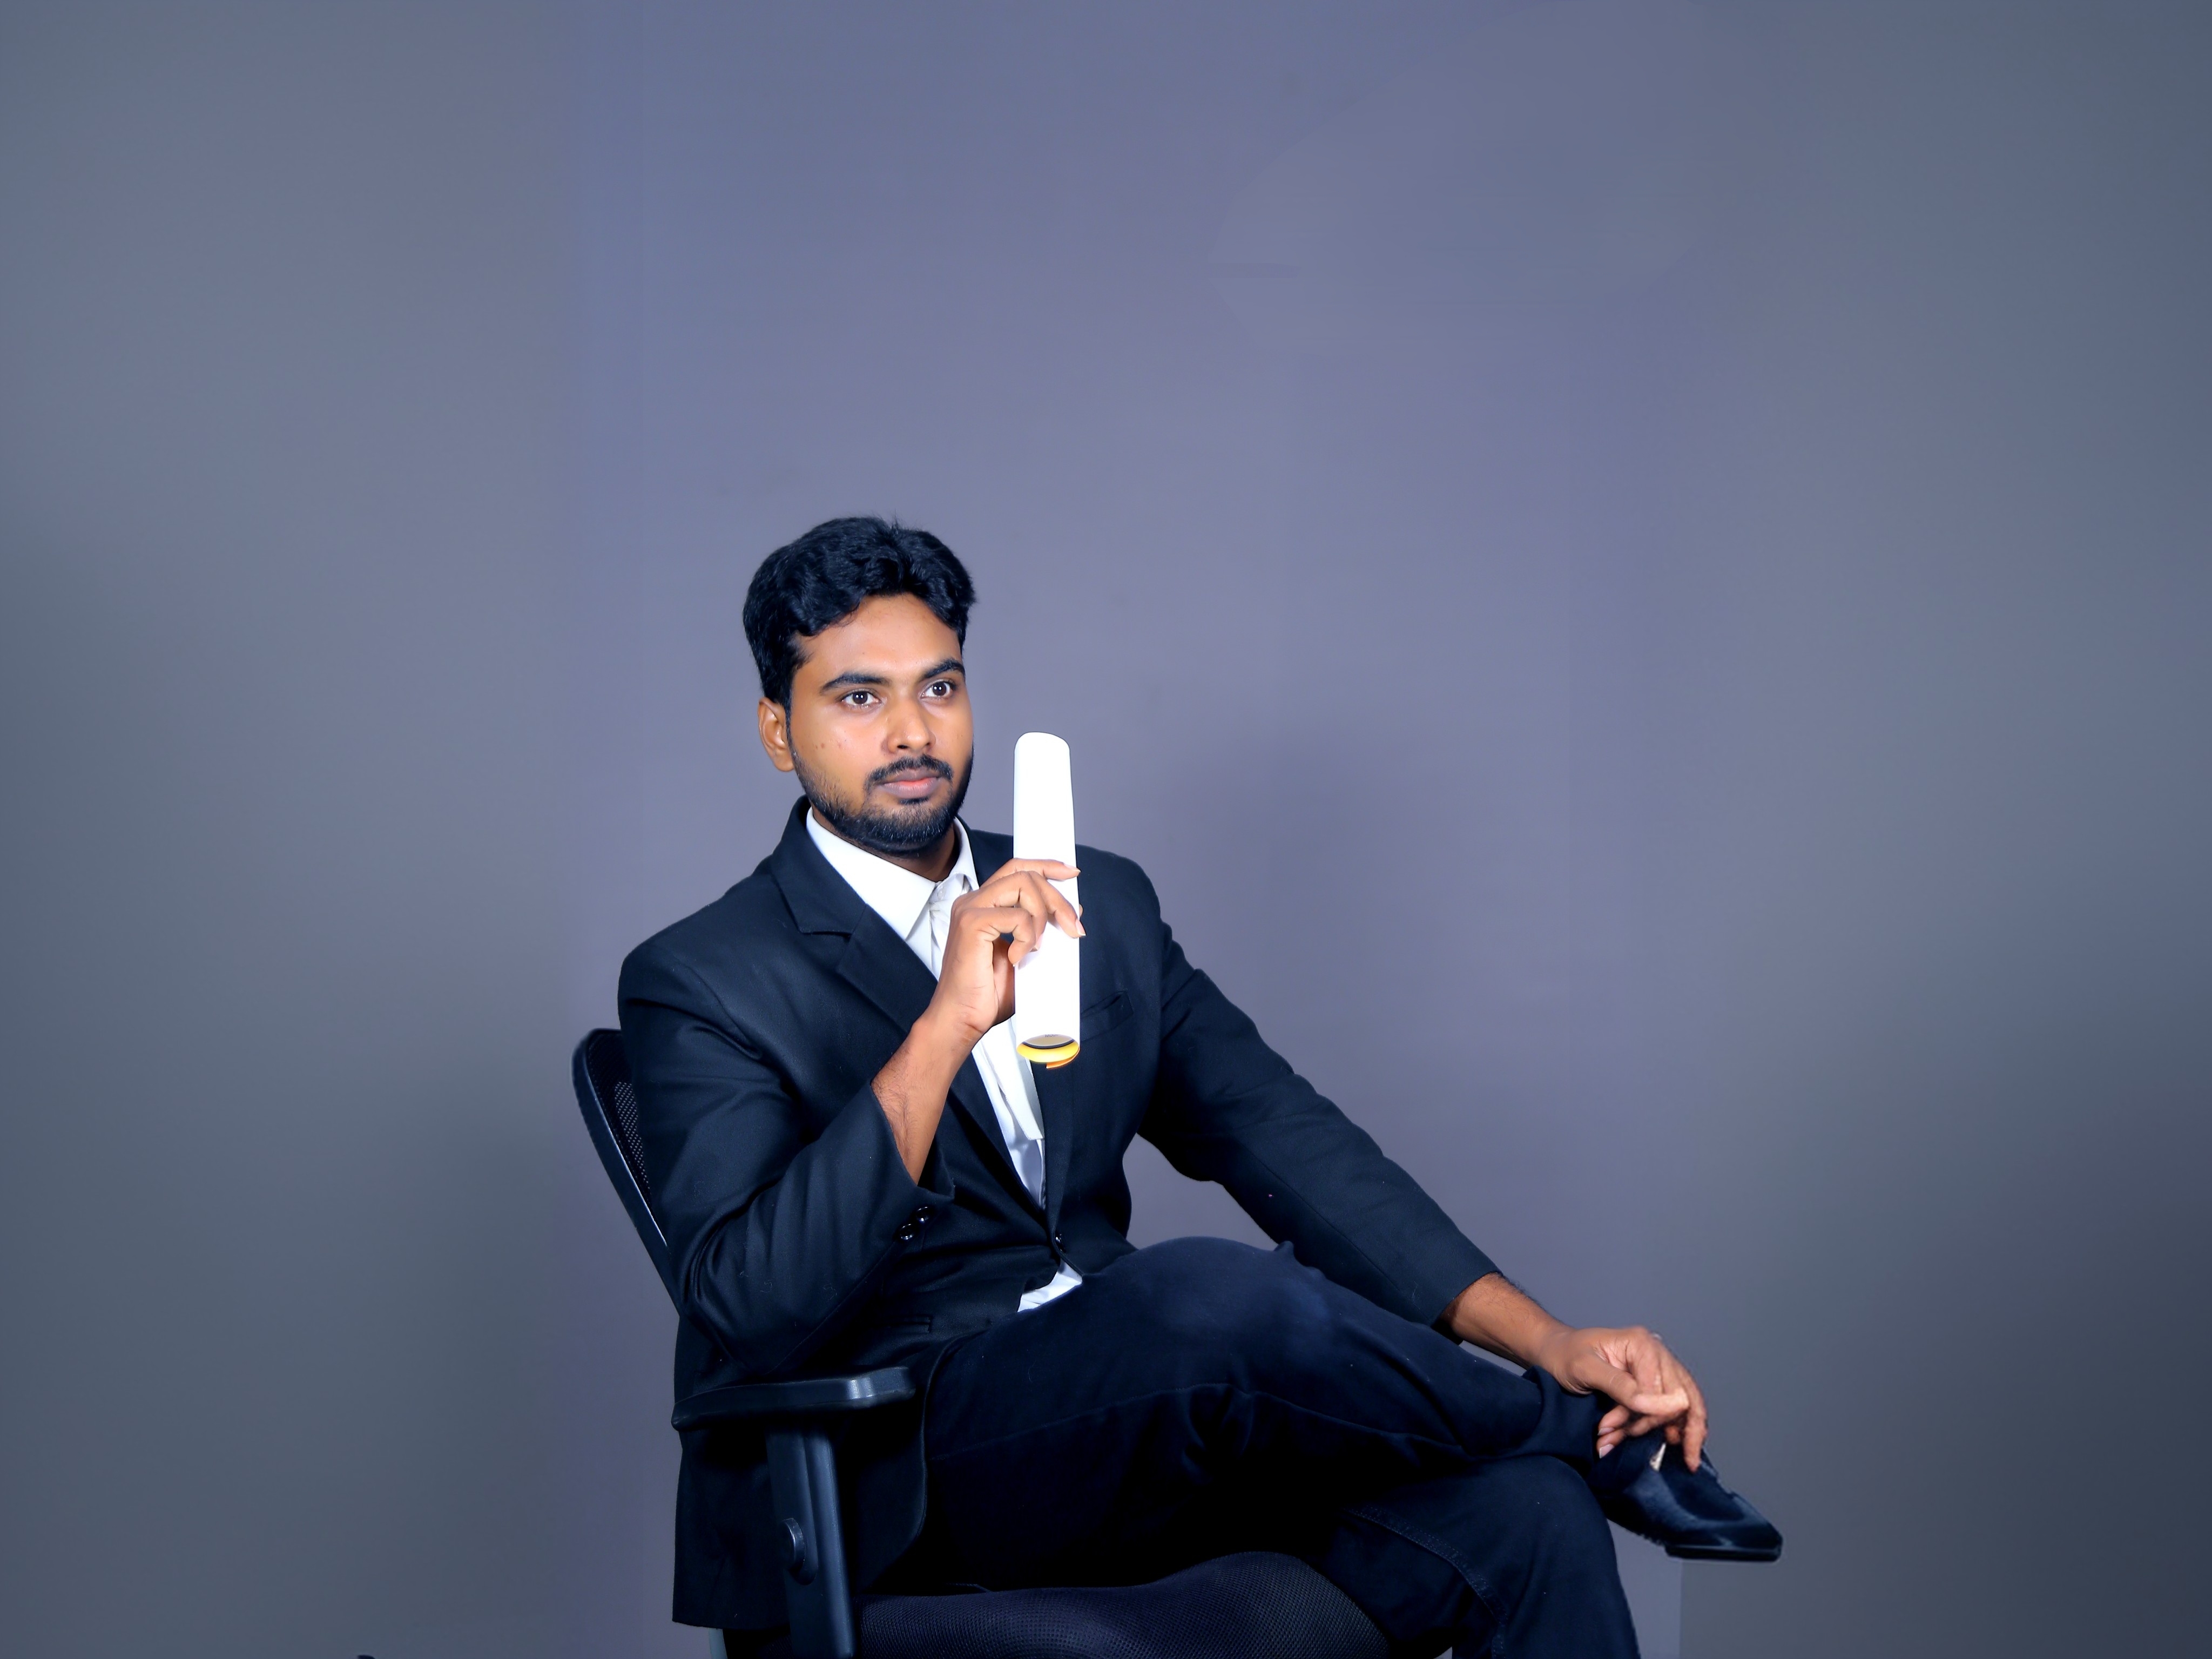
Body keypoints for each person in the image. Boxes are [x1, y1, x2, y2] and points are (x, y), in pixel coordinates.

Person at [619, 517, 1779, 1655]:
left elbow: (1287, 1142)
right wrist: (943, 1029)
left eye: (941, 686)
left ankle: (1563, 1443)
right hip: (904, 1470)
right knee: (1202, 1297)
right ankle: (1582, 1437)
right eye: (858, 698)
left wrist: (1547, 1337)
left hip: (1137, 1440)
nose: (914, 731)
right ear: (778, 731)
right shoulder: (703, 976)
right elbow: (749, 1302)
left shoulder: (1097, 904)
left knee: (1528, 1520)